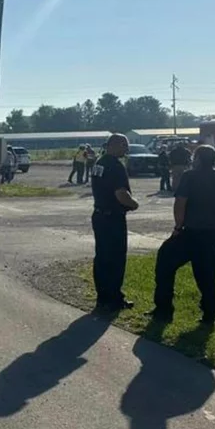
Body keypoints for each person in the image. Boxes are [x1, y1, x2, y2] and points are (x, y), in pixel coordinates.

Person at [150, 145, 215, 324]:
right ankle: (209, 314)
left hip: (189, 233)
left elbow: (180, 202)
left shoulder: (189, 176)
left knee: (165, 264)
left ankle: (164, 310)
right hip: (212, 236)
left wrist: (177, 227)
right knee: (207, 275)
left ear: (197, 158)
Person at [91, 134, 139, 312]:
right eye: (124, 145)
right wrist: (134, 204)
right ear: (114, 145)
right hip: (113, 218)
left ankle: (102, 296)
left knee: (102, 257)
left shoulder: (100, 162)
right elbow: (121, 194)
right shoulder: (115, 166)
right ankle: (114, 298)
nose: (126, 149)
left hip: (99, 215)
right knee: (116, 258)